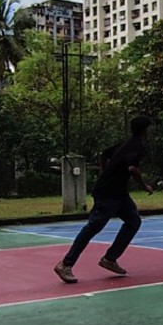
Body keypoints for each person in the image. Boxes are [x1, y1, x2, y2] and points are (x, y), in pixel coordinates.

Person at [54, 115, 154, 284]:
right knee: (94, 227)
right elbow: (132, 168)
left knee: (133, 221)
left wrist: (104, 171)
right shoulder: (137, 146)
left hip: (119, 193)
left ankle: (110, 258)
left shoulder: (125, 144)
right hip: (108, 193)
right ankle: (65, 264)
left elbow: (104, 154)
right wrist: (144, 185)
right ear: (145, 130)